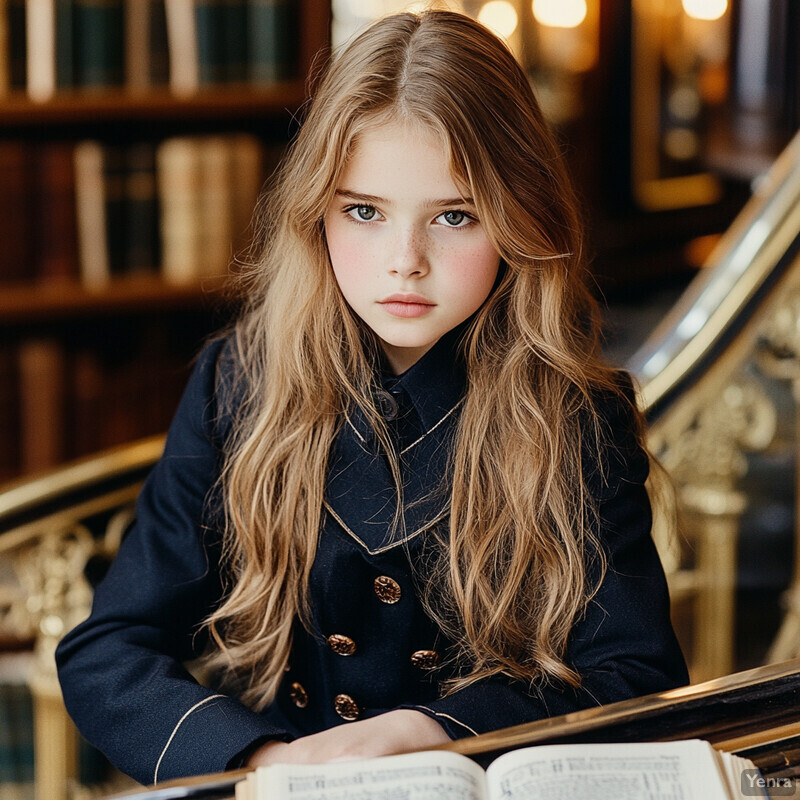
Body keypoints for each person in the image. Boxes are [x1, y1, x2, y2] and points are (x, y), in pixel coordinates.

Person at [56, 9, 688, 787]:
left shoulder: (575, 417)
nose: (405, 263)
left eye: (454, 216)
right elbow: (108, 648)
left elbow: (635, 674)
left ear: (522, 219)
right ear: (315, 213)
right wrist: (263, 760)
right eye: (364, 211)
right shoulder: (240, 382)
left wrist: (430, 729)